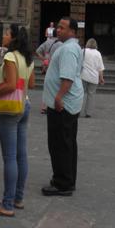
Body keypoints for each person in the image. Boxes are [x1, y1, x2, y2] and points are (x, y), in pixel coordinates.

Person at [0, 24, 35, 217]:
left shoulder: (10, 56)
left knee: (10, 157)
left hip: (11, 109)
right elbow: (31, 83)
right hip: (25, 105)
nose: (4, 36)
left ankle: (7, 204)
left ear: (12, 38)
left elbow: (11, 85)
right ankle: (18, 198)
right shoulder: (27, 58)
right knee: (21, 155)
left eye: (6, 34)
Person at [42, 17, 84, 197]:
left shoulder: (67, 49)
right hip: (69, 103)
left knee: (59, 144)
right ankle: (67, 179)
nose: (58, 30)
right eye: (58, 27)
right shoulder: (72, 47)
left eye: (62, 28)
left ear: (73, 32)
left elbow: (67, 78)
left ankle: (62, 183)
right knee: (67, 144)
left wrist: (58, 97)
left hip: (63, 105)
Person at [36, 34, 63, 113]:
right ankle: (53, 105)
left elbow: (37, 51)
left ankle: (44, 107)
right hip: (57, 68)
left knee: (46, 87)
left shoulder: (47, 42)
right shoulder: (62, 44)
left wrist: (44, 59)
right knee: (56, 87)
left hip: (47, 66)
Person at [81, 38, 104, 118]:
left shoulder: (83, 51)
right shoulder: (98, 53)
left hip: (83, 76)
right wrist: (101, 78)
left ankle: (77, 110)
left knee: (81, 94)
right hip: (94, 77)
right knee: (91, 95)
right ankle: (88, 113)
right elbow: (100, 68)